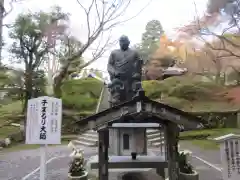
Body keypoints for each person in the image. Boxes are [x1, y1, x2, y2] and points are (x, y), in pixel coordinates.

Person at [107, 35, 143, 106]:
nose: (122, 43)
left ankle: (138, 101)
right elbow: (109, 65)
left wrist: (137, 73)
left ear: (128, 42)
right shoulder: (114, 53)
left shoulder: (134, 53)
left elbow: (138, 65)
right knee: (116, 87)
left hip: (131, 78)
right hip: (118, 78)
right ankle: (115, 101)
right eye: (121, 41)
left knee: (137, 86)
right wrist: (114, 72)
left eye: (124, 41)